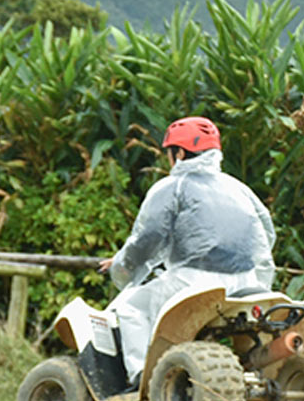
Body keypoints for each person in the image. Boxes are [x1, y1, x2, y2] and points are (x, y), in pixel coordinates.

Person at [99, 116, 277, 384]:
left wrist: (122, 265)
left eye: (169, 152)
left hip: (193, 282)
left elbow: (148, 238)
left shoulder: (172, 187)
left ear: (179, 153)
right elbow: (266, 232)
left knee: (131, 310)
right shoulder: (237, 187)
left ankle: (141, 379)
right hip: (248, 282)